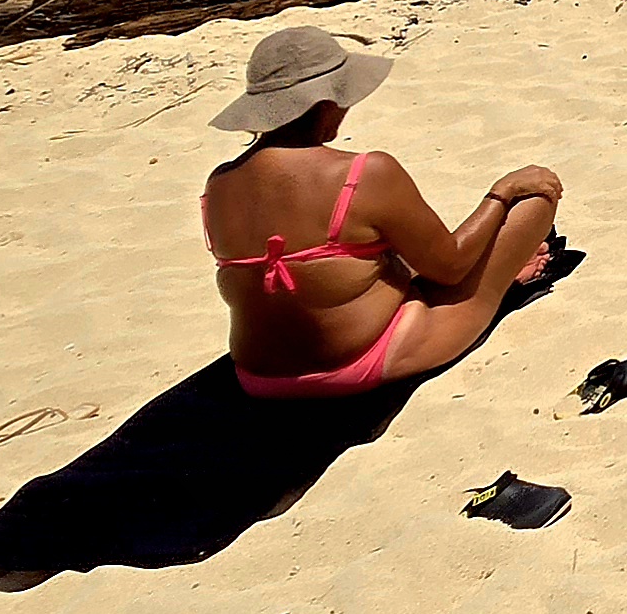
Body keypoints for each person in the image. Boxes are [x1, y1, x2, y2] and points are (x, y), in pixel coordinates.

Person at [200, 25, 566, 399]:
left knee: (370, 254)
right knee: (535, 198)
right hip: (357, 363)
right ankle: (501, 276)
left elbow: (315, 269)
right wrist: (500, 194)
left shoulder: (218, 184)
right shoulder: (363, 173)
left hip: (256, 377)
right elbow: (449, 267)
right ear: (326, 103)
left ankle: (497, 266)